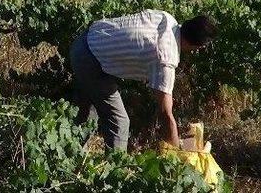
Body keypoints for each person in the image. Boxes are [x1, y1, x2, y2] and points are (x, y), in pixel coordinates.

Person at [70, 9, 216, 150]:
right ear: (197, 46)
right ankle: (114, 171)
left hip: (89, 38)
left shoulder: (166, 18)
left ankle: (69, 155)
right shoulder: (165, 59)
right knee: (119, 122)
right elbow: (166, 114)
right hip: (89, 59)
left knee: (91, 109)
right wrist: (176, 153)